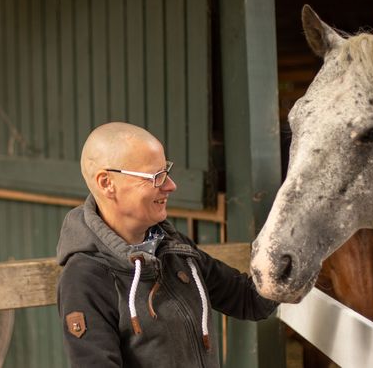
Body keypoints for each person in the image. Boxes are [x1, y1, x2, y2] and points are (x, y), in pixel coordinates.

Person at [56, 122, 279, 367]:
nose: (171, 185)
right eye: (156, 177)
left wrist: (296, 247)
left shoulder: (173, 248)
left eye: (166, 171)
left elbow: (249, 300)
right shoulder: (84, 278)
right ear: (107, 183)